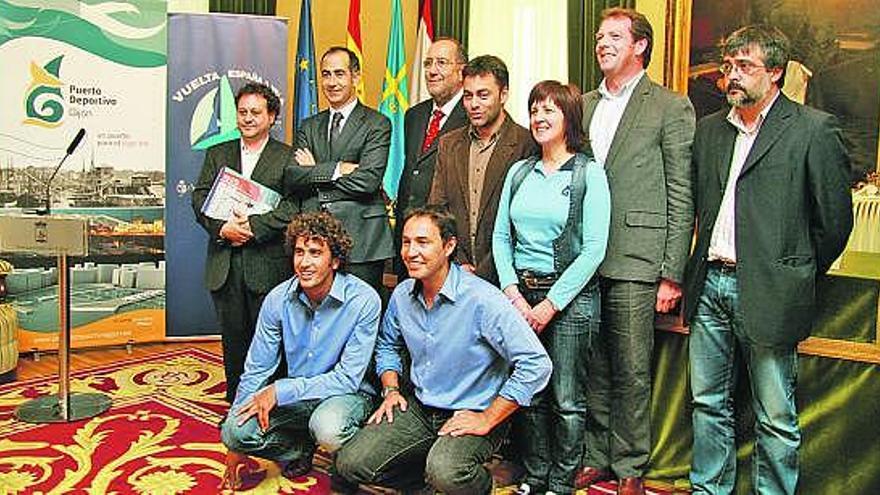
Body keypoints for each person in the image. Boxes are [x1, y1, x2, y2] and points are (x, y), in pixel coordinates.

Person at [683, 25, 852, 495]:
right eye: (728, 67)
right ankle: (708, 489)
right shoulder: (711, 130)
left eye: (745, 67)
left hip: (771, 292)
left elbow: (834, 222)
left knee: (775, 414)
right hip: (710, 285)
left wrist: (793, 271)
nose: (732, 76)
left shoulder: (811, 129)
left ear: (775, 72)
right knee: (707, 402)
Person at [335, 206, 552, 495]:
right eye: (406, 242)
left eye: (423, 242)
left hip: (473, 409)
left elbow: (537, 363)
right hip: (420, 408)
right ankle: (428, 482)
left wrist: (488, 417)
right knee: (349, 463)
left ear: (449, 246)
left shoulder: (482, 299)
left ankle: (482, 484)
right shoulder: (402, 294)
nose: (411, 252)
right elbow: (388, 344)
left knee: (447, 472)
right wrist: (391, 389)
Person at [576, 9, 695, 495]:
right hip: (583, 259)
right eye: (600, 36)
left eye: (614, 37)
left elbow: (681, 192)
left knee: (630, 367)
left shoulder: (670, 106)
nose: (603, 43)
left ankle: (630, 465)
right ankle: (597, 455)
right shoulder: (581, 104)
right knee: (593, 364)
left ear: (640, 46)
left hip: (638, 259)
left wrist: (672, 273)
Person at [493, 80, 611, 495]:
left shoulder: (588, 174)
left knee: (566, 398)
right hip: (520, 297)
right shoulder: (519, 172)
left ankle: (561, 482)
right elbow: (501, 238)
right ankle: (535, 475)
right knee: (531, 393)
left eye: (550, 111)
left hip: (570, 302)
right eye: (535, 110)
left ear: (569, 119)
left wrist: (550, 305)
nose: (539, 119)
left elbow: (594, 250)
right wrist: (513, 293)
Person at [219, 211, 381, 491]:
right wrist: (234, 434)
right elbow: (257, 367)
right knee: (234, 430)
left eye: (315, 253)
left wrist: (279, 391)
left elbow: (348, 379)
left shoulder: (364, 300)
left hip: (346, 395)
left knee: (328, 427)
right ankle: (297, 449)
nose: (304, 262)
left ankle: (346, 460)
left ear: (335, 260)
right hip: (299, 396)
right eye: (299, 252)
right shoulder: (278, 299)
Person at [192, 82, 299, 404]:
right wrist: (223, 228)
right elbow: (200, 199)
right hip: (225, 263)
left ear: (272, 117)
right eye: (242, 112)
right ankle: (237, 405)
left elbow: (293, 208)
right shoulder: (218, 153)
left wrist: (252, 228)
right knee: (234, 341)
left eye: (256, 112)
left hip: (266, 264)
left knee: (271, 340)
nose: (248, 118)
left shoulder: (288, 157)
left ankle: (271, 406)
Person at [285, 46, 393, 294]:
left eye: (339, 74)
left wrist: (314, 172)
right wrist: (337, 169)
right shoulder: (309, 125)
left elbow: (368, 181)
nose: (331, 82)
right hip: (314, 240)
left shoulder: (377, 123)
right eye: (326, 74)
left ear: (355, 77)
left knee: (361, 315)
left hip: (362, 241)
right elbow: (292, 177)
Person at [428, 55, 536, 284]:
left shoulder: (527, 143)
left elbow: (524, 221)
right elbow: (437, 209)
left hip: (508, 279)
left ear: (503, 94)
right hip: (456, 273)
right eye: (468, 96)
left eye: (483, 95)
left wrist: (484, 272)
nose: (474, 104)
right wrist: (457, 261)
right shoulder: (449, 144)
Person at [394, 37, 469, 280]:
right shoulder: (414, 115)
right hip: (409, 239)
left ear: (461, 71)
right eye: (427, 63)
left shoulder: (472, 116)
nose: (432, 70)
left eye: (441, 63)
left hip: (445, 244)